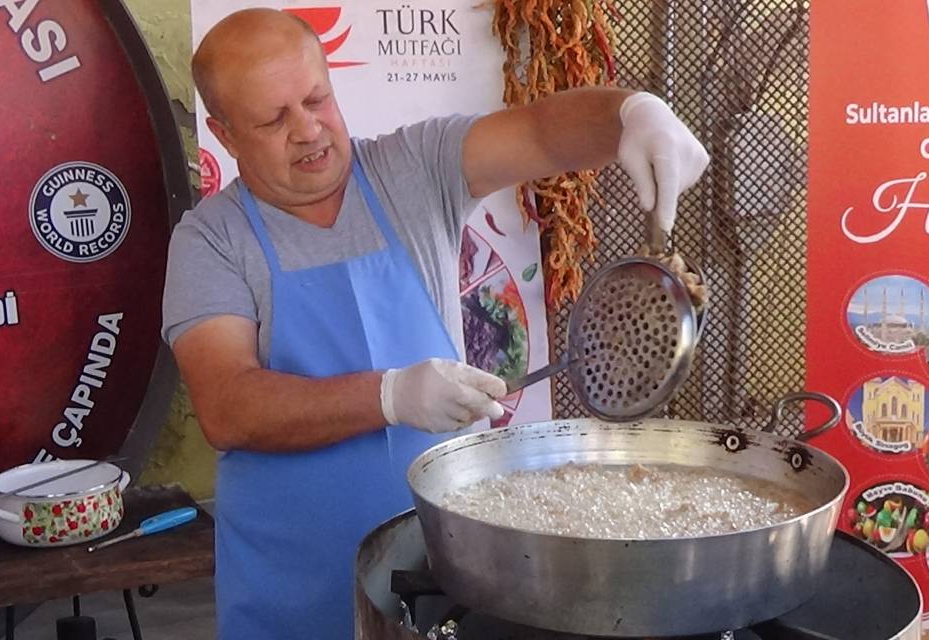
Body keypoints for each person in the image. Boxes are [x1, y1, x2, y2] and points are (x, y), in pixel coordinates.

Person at [162, 8, 709, 640]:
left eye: (317, 98)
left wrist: (630, 114)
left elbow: (541, 132)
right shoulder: (211, 241)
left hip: (443, 569)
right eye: (274, 119)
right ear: (227, 136)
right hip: (293, 589)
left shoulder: (412, 168)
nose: (309, 130)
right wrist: (390, 395)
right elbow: (228, 406)